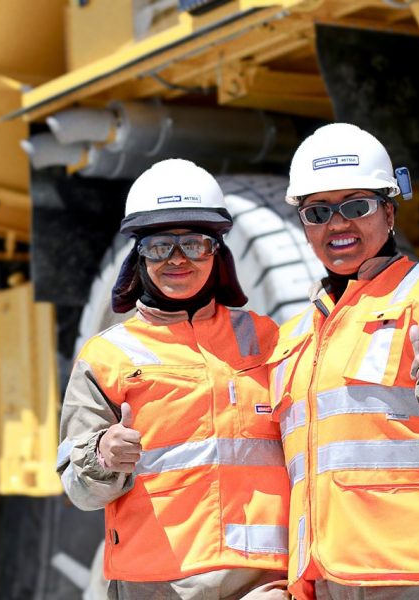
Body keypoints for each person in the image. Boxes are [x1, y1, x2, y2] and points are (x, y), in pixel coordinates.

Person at [268, 123, 419, 600]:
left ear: (389, 210)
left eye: (356, 207)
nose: (337, 224)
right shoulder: (295, 336)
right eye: (318, 212)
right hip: (329, 578)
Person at [57, 159, 291, 600]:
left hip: (262, 585)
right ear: (139, 256)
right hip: (155, 587)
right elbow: (78, 490)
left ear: (217, 252)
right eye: (160, 246)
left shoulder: (268, 340)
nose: (177, 259)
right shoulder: (106, 357)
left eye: (195, 245)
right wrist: (103, 455)